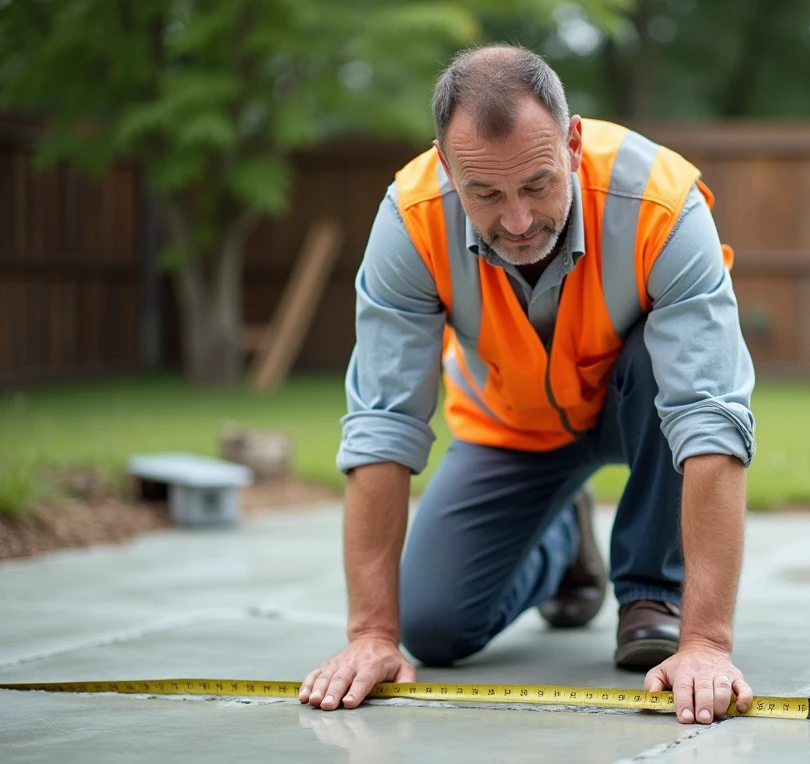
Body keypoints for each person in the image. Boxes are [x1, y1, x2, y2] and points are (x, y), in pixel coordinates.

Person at [299, 44, 756, 726]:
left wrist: (707, 643)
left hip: (642, 409)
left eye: (538, 184)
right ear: (447, 166)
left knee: (669, 372)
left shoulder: (659, 201)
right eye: (484, 193)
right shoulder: (413, 219)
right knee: (433, 628)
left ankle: (652, 595)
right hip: (513, 426)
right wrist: (371, 633)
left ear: (572, 144)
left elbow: (710, 414)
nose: (517, 221)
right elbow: (382, 424)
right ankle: (561, 546)